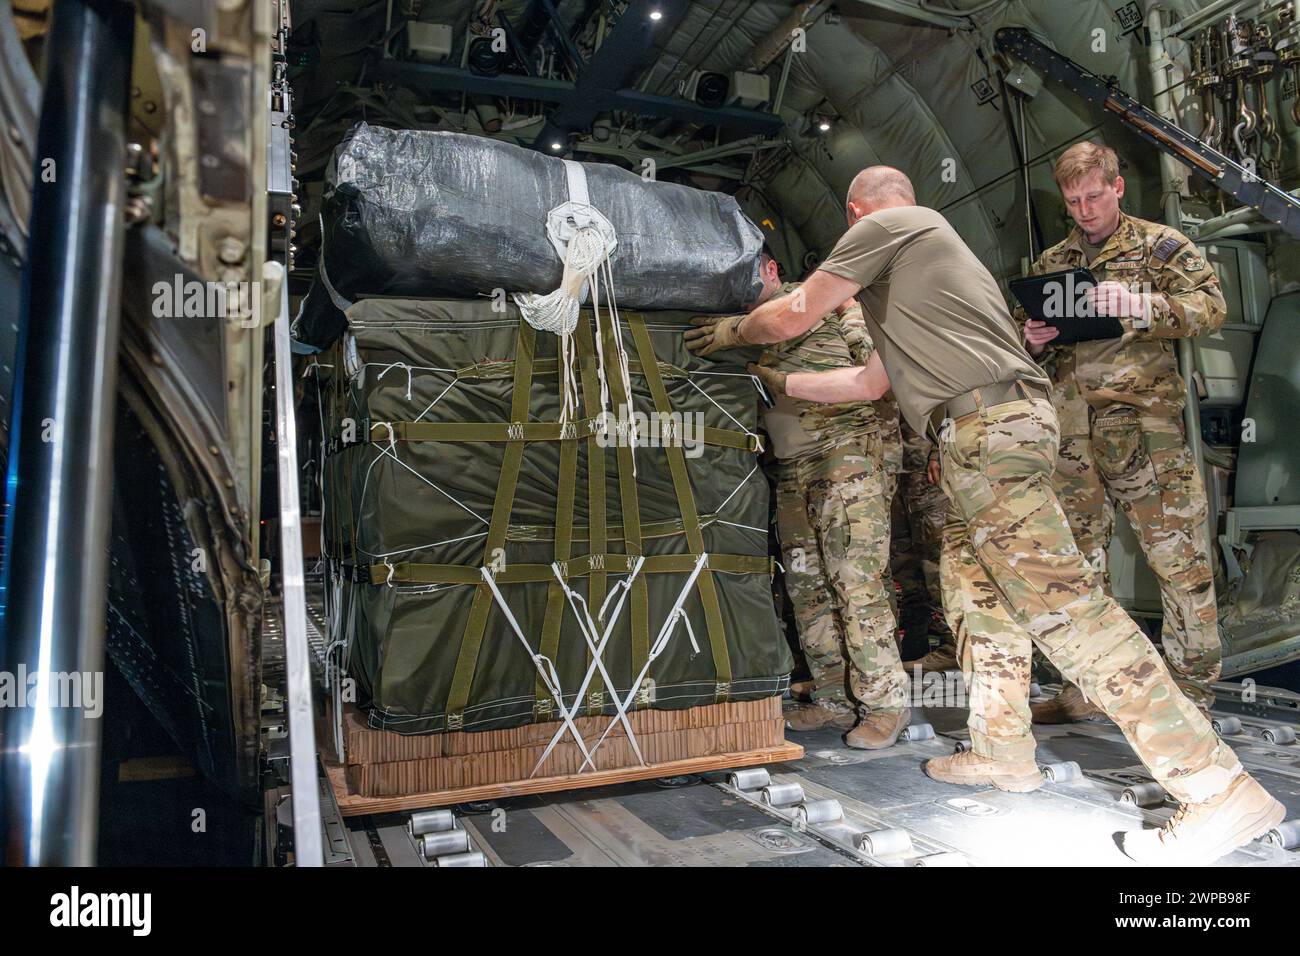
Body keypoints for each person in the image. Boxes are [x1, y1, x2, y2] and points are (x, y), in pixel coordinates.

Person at [688, 165, 1284, 865]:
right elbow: (867, 382)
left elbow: (793, 314)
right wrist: (780, 380)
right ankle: (1005, 752)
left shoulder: (891, 225)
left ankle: (1216, 788)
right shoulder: (921, 281)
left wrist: (735, 332)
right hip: (986, 431)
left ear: (856, 212)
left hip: (989, 432)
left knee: (1069, 612)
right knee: (977, 598)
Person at [1019, 141, 1225, 723]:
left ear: (1117, 187)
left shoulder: (1160, 246)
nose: (1084, 210)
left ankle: (1192, 702)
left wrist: (1140, 304)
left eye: (1093, 196)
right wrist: (1030, 338)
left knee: (1180, 564)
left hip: (1144, 431)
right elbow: (1024, 335)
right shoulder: (1054, 262)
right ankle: (1085, 690)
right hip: (1071, 438)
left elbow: (1209, 307)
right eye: (1073, 200)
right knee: (1077, 571)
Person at [748, 260, 911, 748]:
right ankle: (834, 696)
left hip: (845, 456)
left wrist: (851, 311)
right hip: (793, 465)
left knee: (856, 583)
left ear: (771, 269)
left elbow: (880, 370)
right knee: (808, 587)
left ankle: (884, 704)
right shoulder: (743, 327)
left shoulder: (821, 301)